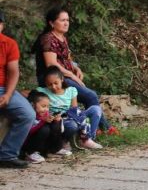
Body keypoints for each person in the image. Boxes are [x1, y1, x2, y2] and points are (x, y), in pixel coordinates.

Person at [32, 7, 113, 134]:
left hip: (63, 76)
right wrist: (71, 75)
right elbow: (51, 64)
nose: (66, 23)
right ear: (52, 23)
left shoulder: (62, 37)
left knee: (89, 95)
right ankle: (103, 128)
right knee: (91, 95)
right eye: (62, 20)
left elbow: (66, 59)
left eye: (67, 20)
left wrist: (75, 68)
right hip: (51, 78)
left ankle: (95, 127)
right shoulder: (48, 39)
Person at [37, 66, 103, 150]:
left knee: (96, 109)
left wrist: (78, 117)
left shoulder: (71, 90)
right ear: (46, 83)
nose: (53, 87)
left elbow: (74, 109)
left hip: (71, 115)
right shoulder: (43, 91)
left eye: (56, 83)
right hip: (58, 119)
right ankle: (64, 141)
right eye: (49, 84)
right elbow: (27, 94)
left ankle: (87, 139)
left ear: (62, 79)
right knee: (72, 125)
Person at [0, 9, 34, 169]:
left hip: (4, 89)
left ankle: (7, 155)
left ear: (2, 25)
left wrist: (8, 94)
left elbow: (13, 72)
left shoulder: (9, 44)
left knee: (28, 114)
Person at [21, 90, 71, 164]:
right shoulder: (29, 115)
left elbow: (59, 129)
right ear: (32, 105)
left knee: (55, 125)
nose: (46, 109)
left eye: (48, 106)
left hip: (43, 144)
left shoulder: (45, 113)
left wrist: (56, 120)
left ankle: (54, 150)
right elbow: (28, 131)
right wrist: (43, 121)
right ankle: (30, 153)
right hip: (28, 144)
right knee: (44, 129)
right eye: (43, 106)